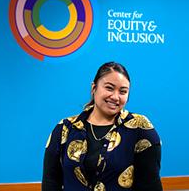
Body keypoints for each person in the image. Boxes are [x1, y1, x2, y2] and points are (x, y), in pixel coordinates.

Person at [42, 62, 163, 191]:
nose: (115, 97)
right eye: (109, 88)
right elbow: (50, 182)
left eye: (123, 91)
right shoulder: (64, 128)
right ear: (94, 88)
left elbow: (150, 185)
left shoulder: (141, 128)